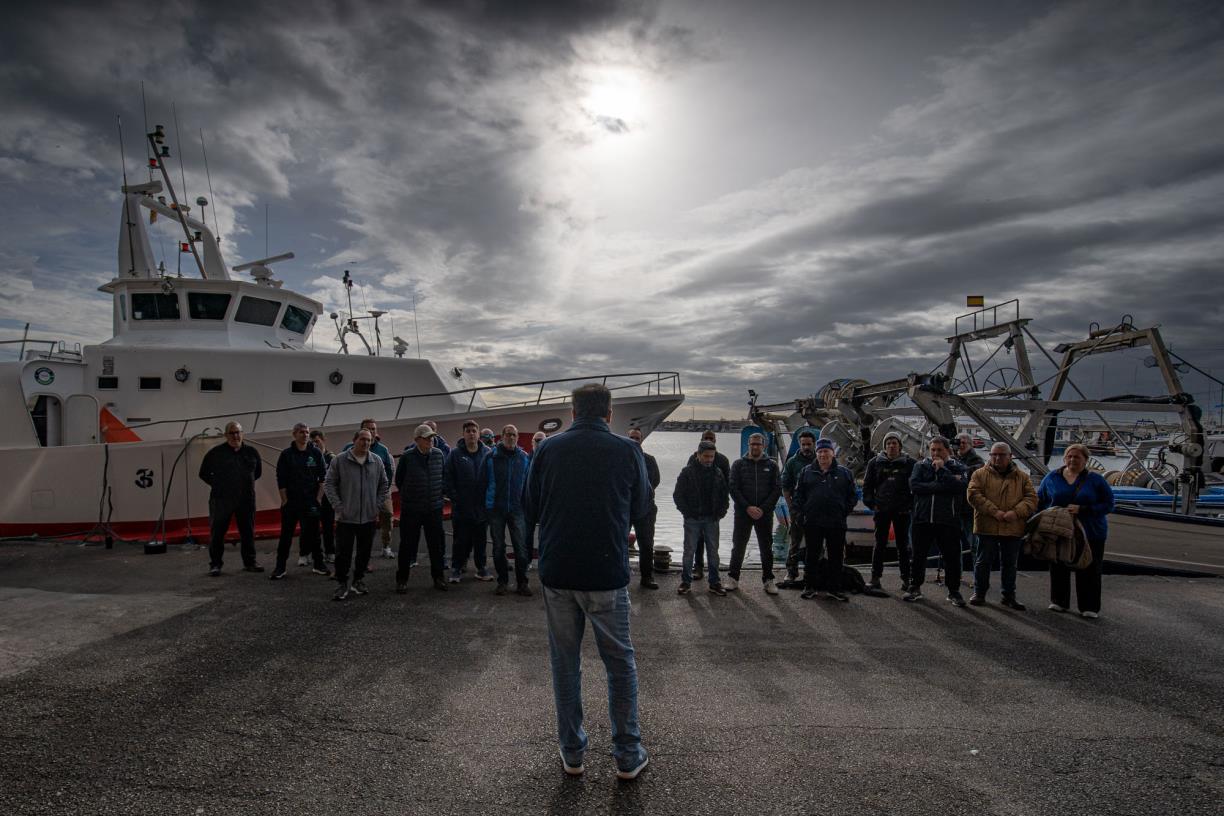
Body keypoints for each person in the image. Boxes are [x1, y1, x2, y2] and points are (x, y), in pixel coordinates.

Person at [524, 383, 651, 780]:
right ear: (609, 413)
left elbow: (529, 506)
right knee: (619, 663)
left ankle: (573, 753)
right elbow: (642, 507)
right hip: (606, 572)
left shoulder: (547, 449)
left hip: (559, 570)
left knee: (565, 663)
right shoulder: (628, 451)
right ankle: (627, 755)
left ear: (573, 412)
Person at [1037, 443, 1115, 619]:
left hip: (1090, 531)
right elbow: (1040, 500)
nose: (1072, 460)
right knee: (1058, 565)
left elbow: (1109, 504)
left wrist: (1084, 509)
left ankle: (1089, 607)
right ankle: (1059, 601)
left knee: (1089, 567)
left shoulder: (1096, 480)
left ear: (1085, 460)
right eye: (1069, 456)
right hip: (1060, 529)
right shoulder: (1051, 477)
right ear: (1064, 459)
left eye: (1077, 457)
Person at [967, 442, 1038, 609]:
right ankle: (980, 592)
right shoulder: (979, 474)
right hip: (987, 525)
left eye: (1001, 455)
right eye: (994, 455)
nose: (997, 458)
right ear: (990, 456)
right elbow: (973, 495)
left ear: (1010, 456)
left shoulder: (1022, 477)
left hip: (1012, 526)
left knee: (1009, 563)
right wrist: (995, 512)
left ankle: (1008, 595)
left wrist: (1015, 512)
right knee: (983, 561)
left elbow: (1032, 498)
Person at [324, 428, 390, 601]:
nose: (366, 443)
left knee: (364, 552)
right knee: (343, 553)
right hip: (346, 518)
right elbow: (329, 484)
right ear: (354, 440)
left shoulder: (376, 461)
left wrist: (376, 506)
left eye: (369, 440)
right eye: (363, 439)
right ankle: (342, 583)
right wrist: (338, 506)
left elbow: (384, 484)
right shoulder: (340, 460)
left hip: (368, 517)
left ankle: (358, 580)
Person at [905, 437, 969, 607]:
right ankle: (915, 587)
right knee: (918, 556)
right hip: (922, 518)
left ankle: (953, 591)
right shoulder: (920, 466)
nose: (935, 453)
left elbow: (961, 487)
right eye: (933, 450)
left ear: (948, 450)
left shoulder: (958, 467)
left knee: (952, 557)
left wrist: (942, 471)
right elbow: (915, 487)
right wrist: (941, 486)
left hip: (948, 520)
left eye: (939, 450)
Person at [792, 438, 856, 602]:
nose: (823, 454)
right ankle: (809, 586)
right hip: (813, 522)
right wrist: (802, 514)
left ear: (832, 453)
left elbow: (852, 496)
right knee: (812, 556)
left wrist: (843, 511)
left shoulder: (844, 473)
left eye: (826, 451)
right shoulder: (807, 472)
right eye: (820, 451)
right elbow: (798, 496)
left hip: (836, 523)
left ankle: (835, 588)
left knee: (836, 556)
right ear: (816, 453)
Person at [199, 421, 264, 576]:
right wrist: (219, 485)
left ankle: (250, 562)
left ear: (242, 434)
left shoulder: (252, 452)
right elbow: (203, 473)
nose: (235, 436)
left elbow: (258, 473)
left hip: (246, 499)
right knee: (218, 533)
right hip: (222, 499)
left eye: (238, 432)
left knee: (247, 531)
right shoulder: (216, 453)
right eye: (232, 433)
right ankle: (215, 564)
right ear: (226, 435)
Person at [393, 424, 448, 593]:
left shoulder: (439, 455)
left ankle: (438, 578)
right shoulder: (407, 457)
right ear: (417, 440)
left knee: (436, 545)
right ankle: (402, 580)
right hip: (412, 509)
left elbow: (443, 476)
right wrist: (410, 498)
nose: (431, 440)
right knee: (407, 545)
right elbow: (399, 480)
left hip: (434, 508)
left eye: (432, 437)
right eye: (427, 438)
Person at [272, 422, 328, 580]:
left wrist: (318, 498)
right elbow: (281, 479)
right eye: (302, 432)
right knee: (286, 536)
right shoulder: (286, 454)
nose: (305, 435)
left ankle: (319, 565)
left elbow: (323, 477)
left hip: (311, 501)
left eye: (307, 432)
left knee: (315, 534)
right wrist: (284, 500)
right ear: (294, 434)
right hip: (292, 502)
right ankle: (280, 568)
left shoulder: (316, 453)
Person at [672, 440, 730, 596]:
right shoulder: (687, 472)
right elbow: (678, 495)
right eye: (706, 456)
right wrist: (687, 513)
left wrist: (721, 513)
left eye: (712, 457)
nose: (709, 460)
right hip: (693, 519)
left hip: (712, 519)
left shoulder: (718, 472)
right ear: (698, 455)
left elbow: (725, 495)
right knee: (689, 551)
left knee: (713, 552)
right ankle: (686, 582)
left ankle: (714, 582)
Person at [727, 432, 781, 595]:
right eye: (753, 444)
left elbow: (776, 489)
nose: (755, 446)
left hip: (764, 514)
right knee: (738, 546)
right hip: (743, 513)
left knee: (766, 547)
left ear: (764, 446)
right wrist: (747, 507)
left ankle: (768, 580)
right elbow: (733, 488)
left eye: (758, 444)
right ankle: (733, 578)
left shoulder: (772, 466)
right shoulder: (738, 464)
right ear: (748, 445)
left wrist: (763, 509)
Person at [861, 432, 916, 591]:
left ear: (900, 445)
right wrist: (872, 504)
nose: (891, 445)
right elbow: (867, 486)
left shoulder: (909, 463)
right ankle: (875, 578)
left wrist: (909, 505)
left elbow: (916, 486)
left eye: (894, 443)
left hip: (902, 511)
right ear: (884, 447)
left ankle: (907, 579)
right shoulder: (875, 462)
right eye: (888, 443)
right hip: (882, 510)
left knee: (903, 546)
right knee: (879, 544)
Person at [485, 424, 532, 596]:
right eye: (508, 435)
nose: (511, 438)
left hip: (517, 509)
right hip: (496, 509)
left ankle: (522, 583)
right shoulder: (491, 457)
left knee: (520, 548)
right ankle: (502, 581)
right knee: (498, 548)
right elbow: (483, 482)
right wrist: (487, 506)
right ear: (502, 436)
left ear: (517, 437)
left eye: (514, 435)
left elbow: (528, 484)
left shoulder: (524, 458)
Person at [444, 419, 493, 582]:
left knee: (480, 540)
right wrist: (456, 498)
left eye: (474, 431)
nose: (471, 433)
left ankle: (481, 568)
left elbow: (492, 478)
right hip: (461, 507)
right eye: (468, 431)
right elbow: (448, 478)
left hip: (481, 507)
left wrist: (488, 500)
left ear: (478, 434)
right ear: (463, 434)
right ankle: (456, 568)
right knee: (460, 540)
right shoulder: (455, 454)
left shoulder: (487, 452)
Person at [342, 419, 396, 559]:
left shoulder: (382, 450)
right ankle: (358, 551)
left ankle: (386, 546)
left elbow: (389, 471)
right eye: (368, 429)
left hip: (380, 490)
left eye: (373, 429)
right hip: (357, 492)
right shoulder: (349, 447)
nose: (371, 431)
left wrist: (383, 490)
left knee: (387, 515)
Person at [686, 430, 730, 579]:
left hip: (713, 510)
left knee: (712, 545)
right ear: (701, 440)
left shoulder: (722, 460)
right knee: (696, 542)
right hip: (696, 510)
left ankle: (714, 576)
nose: (709, 440)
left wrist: (722, 510)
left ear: (716, 440)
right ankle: (698, 567)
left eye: (712, 438)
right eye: (706, 438)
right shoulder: (693, 459)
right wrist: (687, 510)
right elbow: (686, 483)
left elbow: (727, 485)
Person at [781, 430, 818, 585]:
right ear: (799, 444)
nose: (806, 447)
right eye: (803, 444)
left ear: (814, 444)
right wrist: (791, 508)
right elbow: (785, 487)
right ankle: (791, 572)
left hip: (817, 510)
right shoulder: (792, 462)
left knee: (816, 542)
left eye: (809, 444)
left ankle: (814, 572)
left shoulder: (820, 460)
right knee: (795, 542)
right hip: (798, 509)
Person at [627, 428, 661, 590]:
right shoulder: (621, 459)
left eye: (637, 437)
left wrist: (642, 494)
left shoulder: (649, 460)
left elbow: (655, 480)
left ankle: (647, 577)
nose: (634, 440)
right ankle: (620, 574)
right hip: (625, 508)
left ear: (642, 439)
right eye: (632, 437)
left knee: (646, 544)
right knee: (619, 542)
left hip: (646, 508)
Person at [954, 432, 986, 570]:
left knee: (974, 544)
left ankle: (978, 576)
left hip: (970, 509)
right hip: (955, 508)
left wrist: (957, 472)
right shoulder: (953, 458)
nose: (961, 445)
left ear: (970, 445)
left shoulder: (977, 460)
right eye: (959, 443)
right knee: (955, 545)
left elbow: (972, 475)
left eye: (964, 443)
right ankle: (957, 574)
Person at [309, 429, 337, 564]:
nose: (315, 445)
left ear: (323, 440)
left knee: (328, 527)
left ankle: (330, 552)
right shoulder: (309, 457)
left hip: (327, 498)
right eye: (312, 442)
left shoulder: (331, 458)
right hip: (313, 497)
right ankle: (312, 553)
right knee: (312, 527)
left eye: (317, 442)